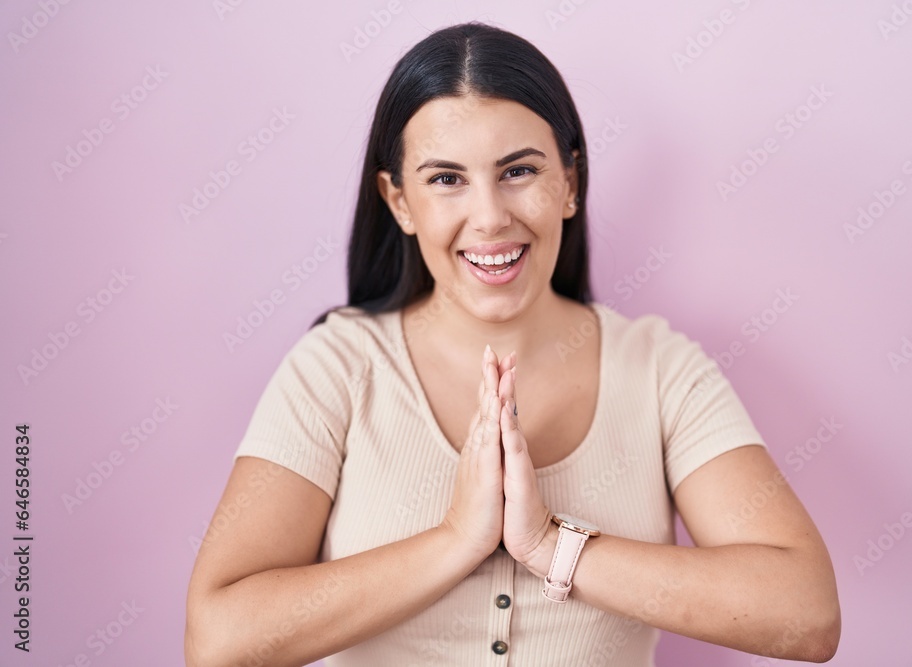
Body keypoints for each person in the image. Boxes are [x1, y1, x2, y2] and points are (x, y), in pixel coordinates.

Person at [184, 21, 840, 667]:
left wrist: (552, 546)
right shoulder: (336, 368)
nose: (491, 216)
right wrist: (454, 541)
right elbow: (218, 639)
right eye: (446, 179)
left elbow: (805, 611)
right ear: (399, 200)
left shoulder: (660, 369)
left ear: (570, 182)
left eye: (518, 170)